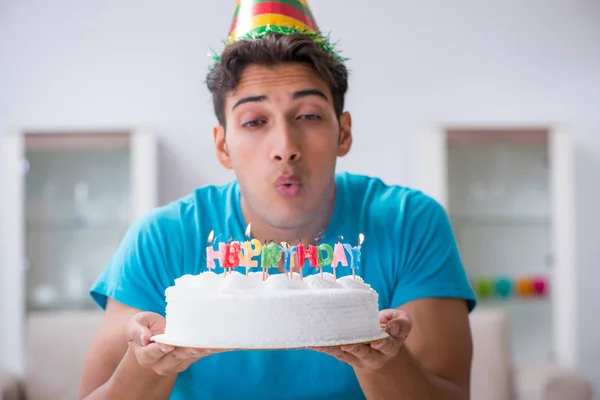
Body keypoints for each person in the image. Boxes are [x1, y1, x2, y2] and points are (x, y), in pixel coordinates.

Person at [79, 1, 476, 399]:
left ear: (343, 133)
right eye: (254, 121)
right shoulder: (161, 239)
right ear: (223, 146)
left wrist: (383, 361)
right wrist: (146, 363)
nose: (285, 148)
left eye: (308, 116)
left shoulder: (409, 223)